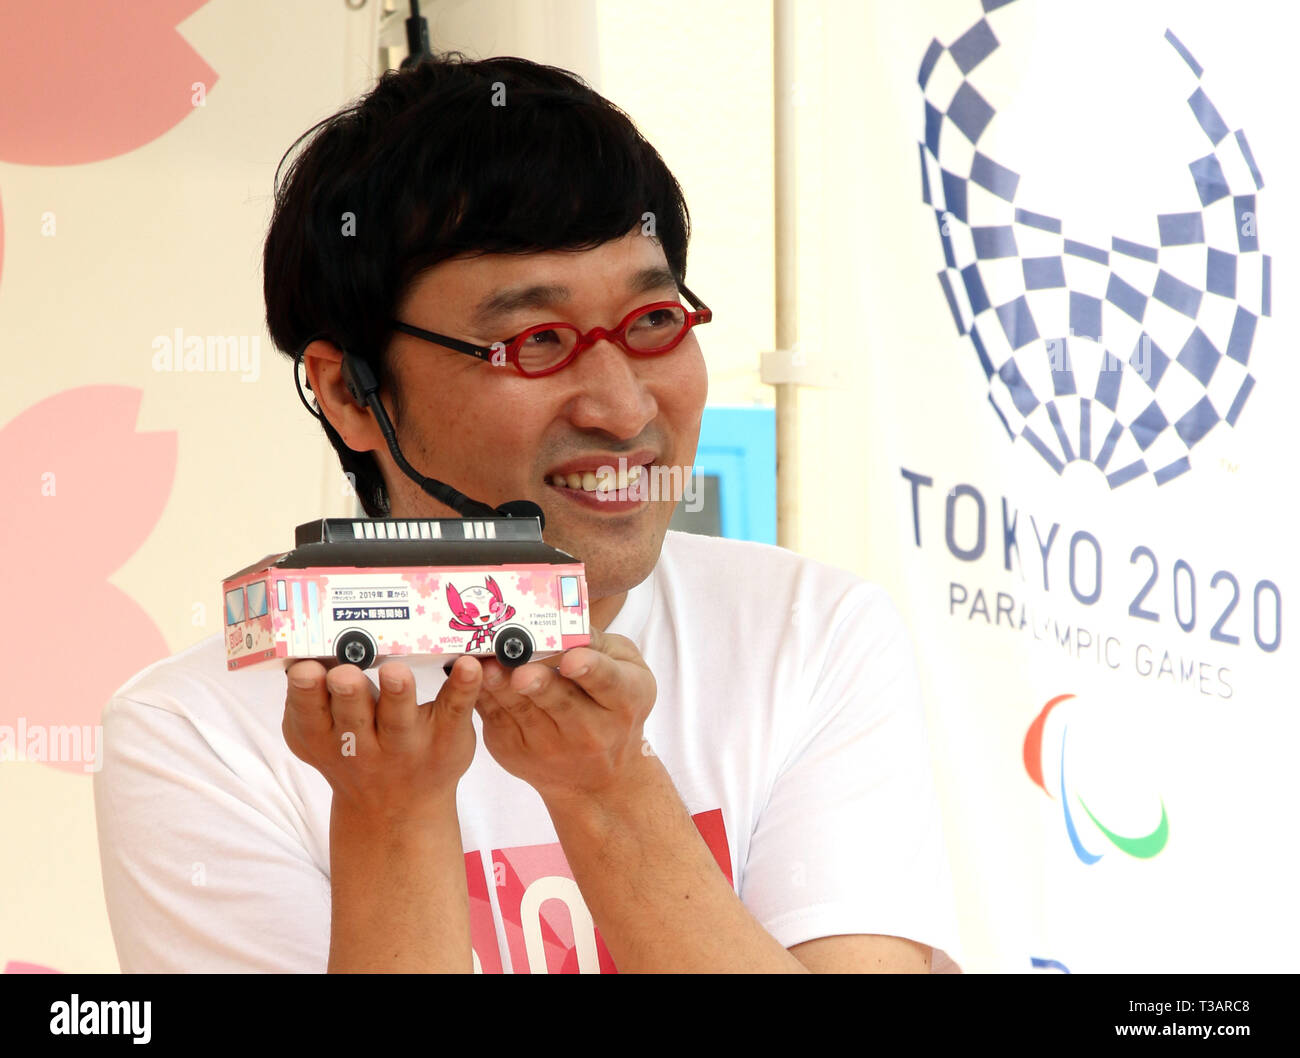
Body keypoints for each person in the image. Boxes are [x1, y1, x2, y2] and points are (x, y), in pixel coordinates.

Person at [94, 52, 963, 974]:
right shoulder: (198, 734)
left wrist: (608, 787)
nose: (624, 409)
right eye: (535, 342)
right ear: (350, 391)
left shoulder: (804, 633)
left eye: (654, 322)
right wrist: (393, 815)